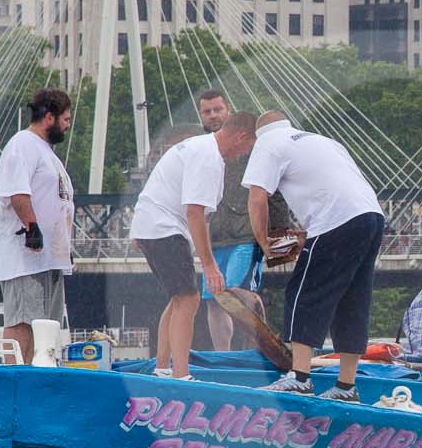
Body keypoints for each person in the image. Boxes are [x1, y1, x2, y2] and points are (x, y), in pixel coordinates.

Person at [243, 112, 386, 401]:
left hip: (335, 219)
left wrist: (263, 242)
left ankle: (299, 377)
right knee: (352, 300)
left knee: (303, 293)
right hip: (371, 215)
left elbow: (258, 198)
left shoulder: (268, 143)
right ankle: (346, 387)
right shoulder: (323, 141)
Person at [129, 111, 259, 380]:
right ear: (242, 137)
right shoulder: (207, 157)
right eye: (249, 146)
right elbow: (195, 213)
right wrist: (210, 265)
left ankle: (163, 367)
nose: (246, 153)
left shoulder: (201, 148)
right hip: (164, 227)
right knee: (190, 299)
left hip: (154, 224)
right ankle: (180, 373)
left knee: (179, 299)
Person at [194, 89, 292, 351]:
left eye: (218, 109)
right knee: (213, 300)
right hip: (213, 238)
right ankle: (223, 357)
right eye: (207, 111)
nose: (213, 115)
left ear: (229, 110)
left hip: (245, 237)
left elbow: (273, 191)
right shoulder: (201, 149)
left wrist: (281, 234)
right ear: (201, 115)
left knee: (240, 296)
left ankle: (257, 350)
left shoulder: (252, 147)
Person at [0, 88, 75, 366]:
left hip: (49, 257)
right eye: (65, 119)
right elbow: (17, 192)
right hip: (24, 254)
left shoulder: (46, 151)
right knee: (23, 319)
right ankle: (15, 375)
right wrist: (32, 228)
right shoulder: (22, 144)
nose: (68, 125)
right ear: (49, 117)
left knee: (46, 323)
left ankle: (38, 374)